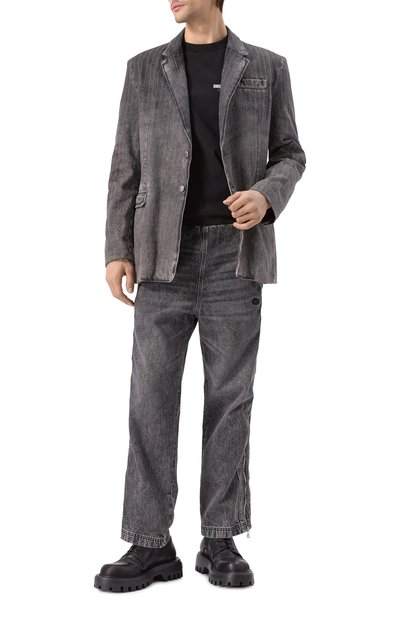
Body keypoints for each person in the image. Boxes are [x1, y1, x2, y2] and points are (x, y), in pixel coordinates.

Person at [94, 0, 306, 592]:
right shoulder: (143, 68)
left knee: (230, 399)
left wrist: (266, 195)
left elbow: (291, 152)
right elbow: (125, 163)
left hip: (235, 257)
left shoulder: (266, 66)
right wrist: (116, 248)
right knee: (150, 400)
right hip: (161, 255)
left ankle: (220, 538)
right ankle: (149, 543)